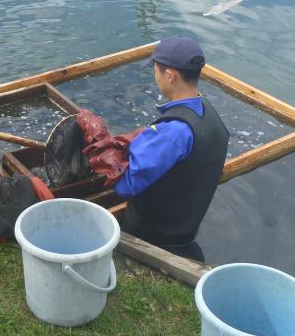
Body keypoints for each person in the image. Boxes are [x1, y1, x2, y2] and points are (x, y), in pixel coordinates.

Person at [77, 36, 229, 261]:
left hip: (153, 237)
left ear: (170, 76)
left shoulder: (173, 132)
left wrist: (99, 139)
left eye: (156, 70)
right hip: (185, 229)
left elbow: (125, 185)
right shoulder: (208, 113)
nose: (154, 75)